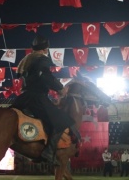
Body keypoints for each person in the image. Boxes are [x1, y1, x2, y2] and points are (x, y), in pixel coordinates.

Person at [10, 35, 79, 166]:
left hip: (23, 98)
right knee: (62, 121)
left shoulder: (26, 60)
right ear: (46, 49)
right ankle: (48, 152)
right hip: (37, 98)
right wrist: (60, 88)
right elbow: (46, 76)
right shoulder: (42, 59)